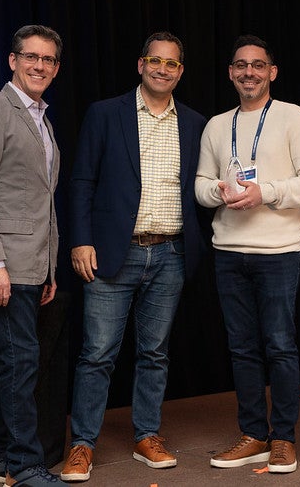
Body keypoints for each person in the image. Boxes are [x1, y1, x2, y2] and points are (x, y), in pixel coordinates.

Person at [60, 31, 208, 482]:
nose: (163, 69)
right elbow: (82, 181)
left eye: (172, 63)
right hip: (112, 252)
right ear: (140, 64)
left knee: (155, 353)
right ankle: (82, 444)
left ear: (181, 71)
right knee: (97, 354)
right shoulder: (105, 114)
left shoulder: (196, 123)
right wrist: (80, 240)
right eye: (155, 60)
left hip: (171, 252)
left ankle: (147, 435)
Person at [194, 34, 300, 474]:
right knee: (242, 349)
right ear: (230, 73)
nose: (248, 72)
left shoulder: (293, 117)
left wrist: (264, 192)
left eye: (257, 65)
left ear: (272, 72)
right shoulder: (217, 125)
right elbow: (200, 184)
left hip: (278, 253)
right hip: (228, 253)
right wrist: (218, 191)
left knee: (280, 347)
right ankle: (254, 435)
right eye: (240, 65)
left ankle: (283, 438)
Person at [0, 24, 67, 486]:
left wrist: (50, 267)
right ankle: (23, 466)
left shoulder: (42, 119)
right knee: (21, 363)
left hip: (33, 263)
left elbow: (42, 200)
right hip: (6, 261)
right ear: (13, 60)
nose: (39, 66)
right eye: (31, 57)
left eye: (48, 59)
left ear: (56, 68)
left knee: (4, 360)